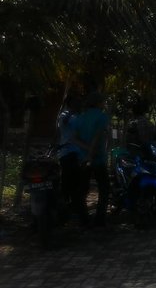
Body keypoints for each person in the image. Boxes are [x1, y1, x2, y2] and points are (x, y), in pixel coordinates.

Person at [74, 91, 110, 228]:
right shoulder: (102, 117)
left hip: (82, 158)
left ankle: (83, 219)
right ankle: (100, 219)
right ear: (99, 103)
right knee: (104, 188)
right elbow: (98, 136)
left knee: (82, 189)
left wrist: (86, 149)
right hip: (97, 158)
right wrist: (92, 151)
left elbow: (74, 138)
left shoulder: (81, 117)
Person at [57, 94, 89, 226]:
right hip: (68, 154)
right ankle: (69, 216)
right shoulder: (65, 115)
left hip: (79, 155)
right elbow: (63, 124)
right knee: (70, 185)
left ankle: (74, 213)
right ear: (71, 104)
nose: (79, 105)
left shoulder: (79, 117)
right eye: (77, 102)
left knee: (79, 186)